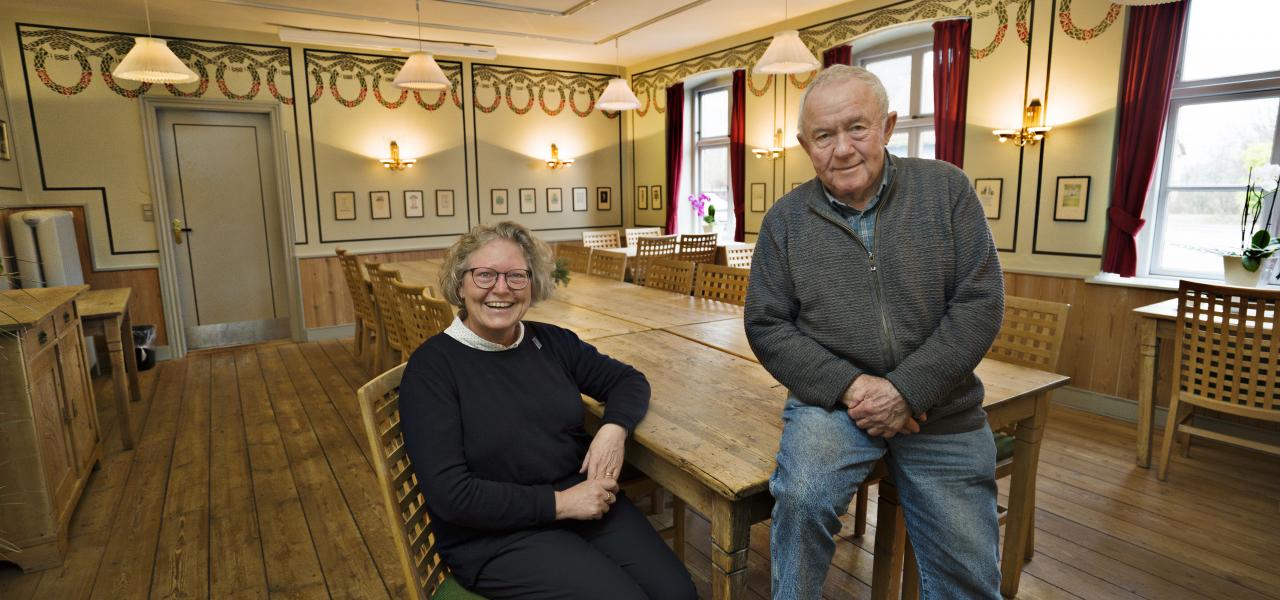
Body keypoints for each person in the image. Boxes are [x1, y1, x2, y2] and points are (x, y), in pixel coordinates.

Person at [744, 65, 1006, 600]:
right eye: (823, 135)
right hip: (833, 405)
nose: (842, 149)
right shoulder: (785, 220)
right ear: (805, 145)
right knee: (802, 499)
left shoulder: (947, 189)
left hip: (941, 406)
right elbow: (766, 324)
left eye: (857, 128)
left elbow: (980, 302)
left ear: (887, 126)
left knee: (969, 578)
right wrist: (853, 387)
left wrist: (906, 390)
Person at [398, 221, 696, 600]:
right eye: (485, 275)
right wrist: (561, 504)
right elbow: (452, 496)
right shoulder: (431, 369)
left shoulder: (552, 342)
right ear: (460, 284)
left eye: (516, 276)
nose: (501, 288)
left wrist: (613, 429)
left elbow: (628, 380)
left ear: (532, 284)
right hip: (495, 535)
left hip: (584, 501)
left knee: (678, 593)